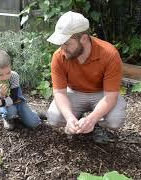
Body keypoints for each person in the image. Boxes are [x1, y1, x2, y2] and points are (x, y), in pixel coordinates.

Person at [46, 11, 127, 143]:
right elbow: (59, 93)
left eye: (66, 43)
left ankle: (95, 125)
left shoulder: (109, 54)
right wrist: (69, 118)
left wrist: (92, 119)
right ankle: (77, 122)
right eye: (61, 43)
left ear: (83, 38)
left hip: (102, 94)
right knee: (54, 118)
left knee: (115, 120)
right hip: (74, 93)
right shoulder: (58, 56)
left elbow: (110, 96)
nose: (62, 48)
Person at [0, 50, 41, 130]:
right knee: (10, 111)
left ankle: (32, 113)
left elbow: (14, 97)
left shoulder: (14, 76)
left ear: (10, 67)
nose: (5, 77)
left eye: (8, 73)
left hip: (18, 101)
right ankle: (8, 118)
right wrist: (1, 95)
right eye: (0, 74)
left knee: (34, 124)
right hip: (6, 106)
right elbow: (0, 101)